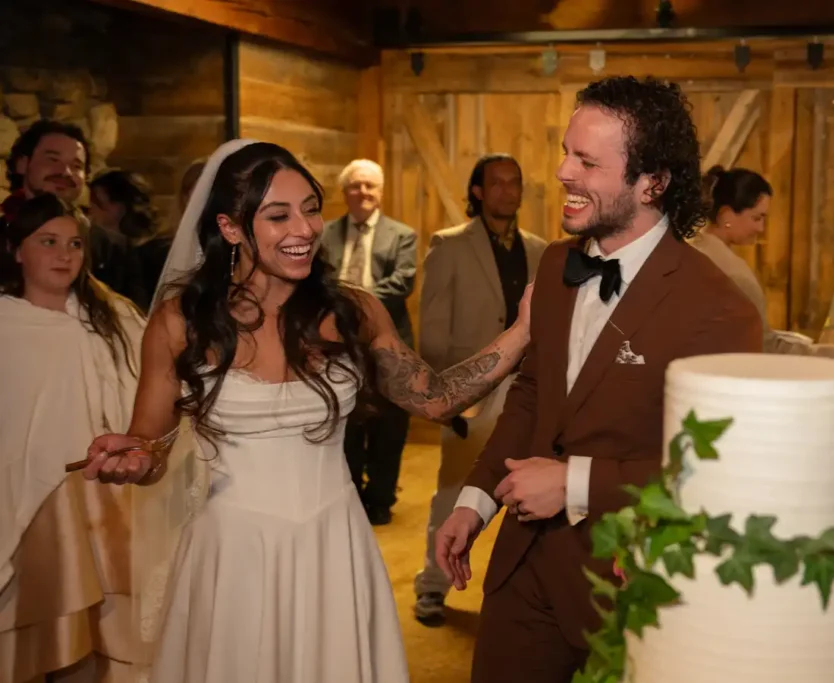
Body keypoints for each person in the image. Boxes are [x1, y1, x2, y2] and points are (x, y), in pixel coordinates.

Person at [80, 139, 533, 683]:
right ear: (230, 228)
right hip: (234, 550)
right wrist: (132, 460)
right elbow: (150, 448)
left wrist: (523, 331)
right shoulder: (183, 321)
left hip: (332, 542)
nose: (305, 228)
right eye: (278, 215)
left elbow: (433, 398)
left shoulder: (352, 310)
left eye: (312, 208)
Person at [434, 76, 763, 683]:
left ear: (651, 182)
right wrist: (474, 502)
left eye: (586, 160)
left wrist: (575, 482)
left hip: (627, 583)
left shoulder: (718, 307)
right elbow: (532, 396)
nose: (561, 172)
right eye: (565, 152)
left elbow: (721, 473)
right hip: (520, 571)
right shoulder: (558, 263)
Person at [0, 194, 144, 682]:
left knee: (100, 637)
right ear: (17, 251)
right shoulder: (6, 325)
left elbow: (152, 390)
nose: (64, 255)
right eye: (48, 242)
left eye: (75, 244)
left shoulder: (113, 315)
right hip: (30, 504)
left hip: (104, 499)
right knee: (38, 631)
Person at [413, 153, 547, 625]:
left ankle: (526, 597)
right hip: (471, 390)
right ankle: (433, 585)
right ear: (478, 191)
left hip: (531, 387)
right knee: (454, 491)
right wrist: (445, 395)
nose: (508, 191)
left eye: (515, 183)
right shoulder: (449, 245)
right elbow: (432, 328)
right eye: (497, 183)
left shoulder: (542, 249)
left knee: (531, 493)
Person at [689, 165, 834, 362]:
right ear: (726, 216)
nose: (761, 228)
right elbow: (764, 346)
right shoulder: (732, 274)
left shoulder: (690, 252)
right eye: (756, 218)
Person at [322, 159, 417, 525]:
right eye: (355, 186)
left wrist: (350, 302)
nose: (362, 192)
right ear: (345, 192)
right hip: (336, 344)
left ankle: (380, 498)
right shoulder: (324, 233)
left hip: (386, 343)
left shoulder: (401, 235)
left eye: (369, 186)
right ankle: (350, 495)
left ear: (380, 193)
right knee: (346, 423)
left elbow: (402, 282)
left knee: (388, 426)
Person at [88, 168, 171, 310]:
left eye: (97, 202)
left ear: (119, 207)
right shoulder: (105, 253)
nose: (90, 210)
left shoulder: (159, 254)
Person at [1, 119, 89, 235]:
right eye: (53, 160)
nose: (66, 172)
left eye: (76, 166)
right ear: (22, 164)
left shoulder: (104, 245)